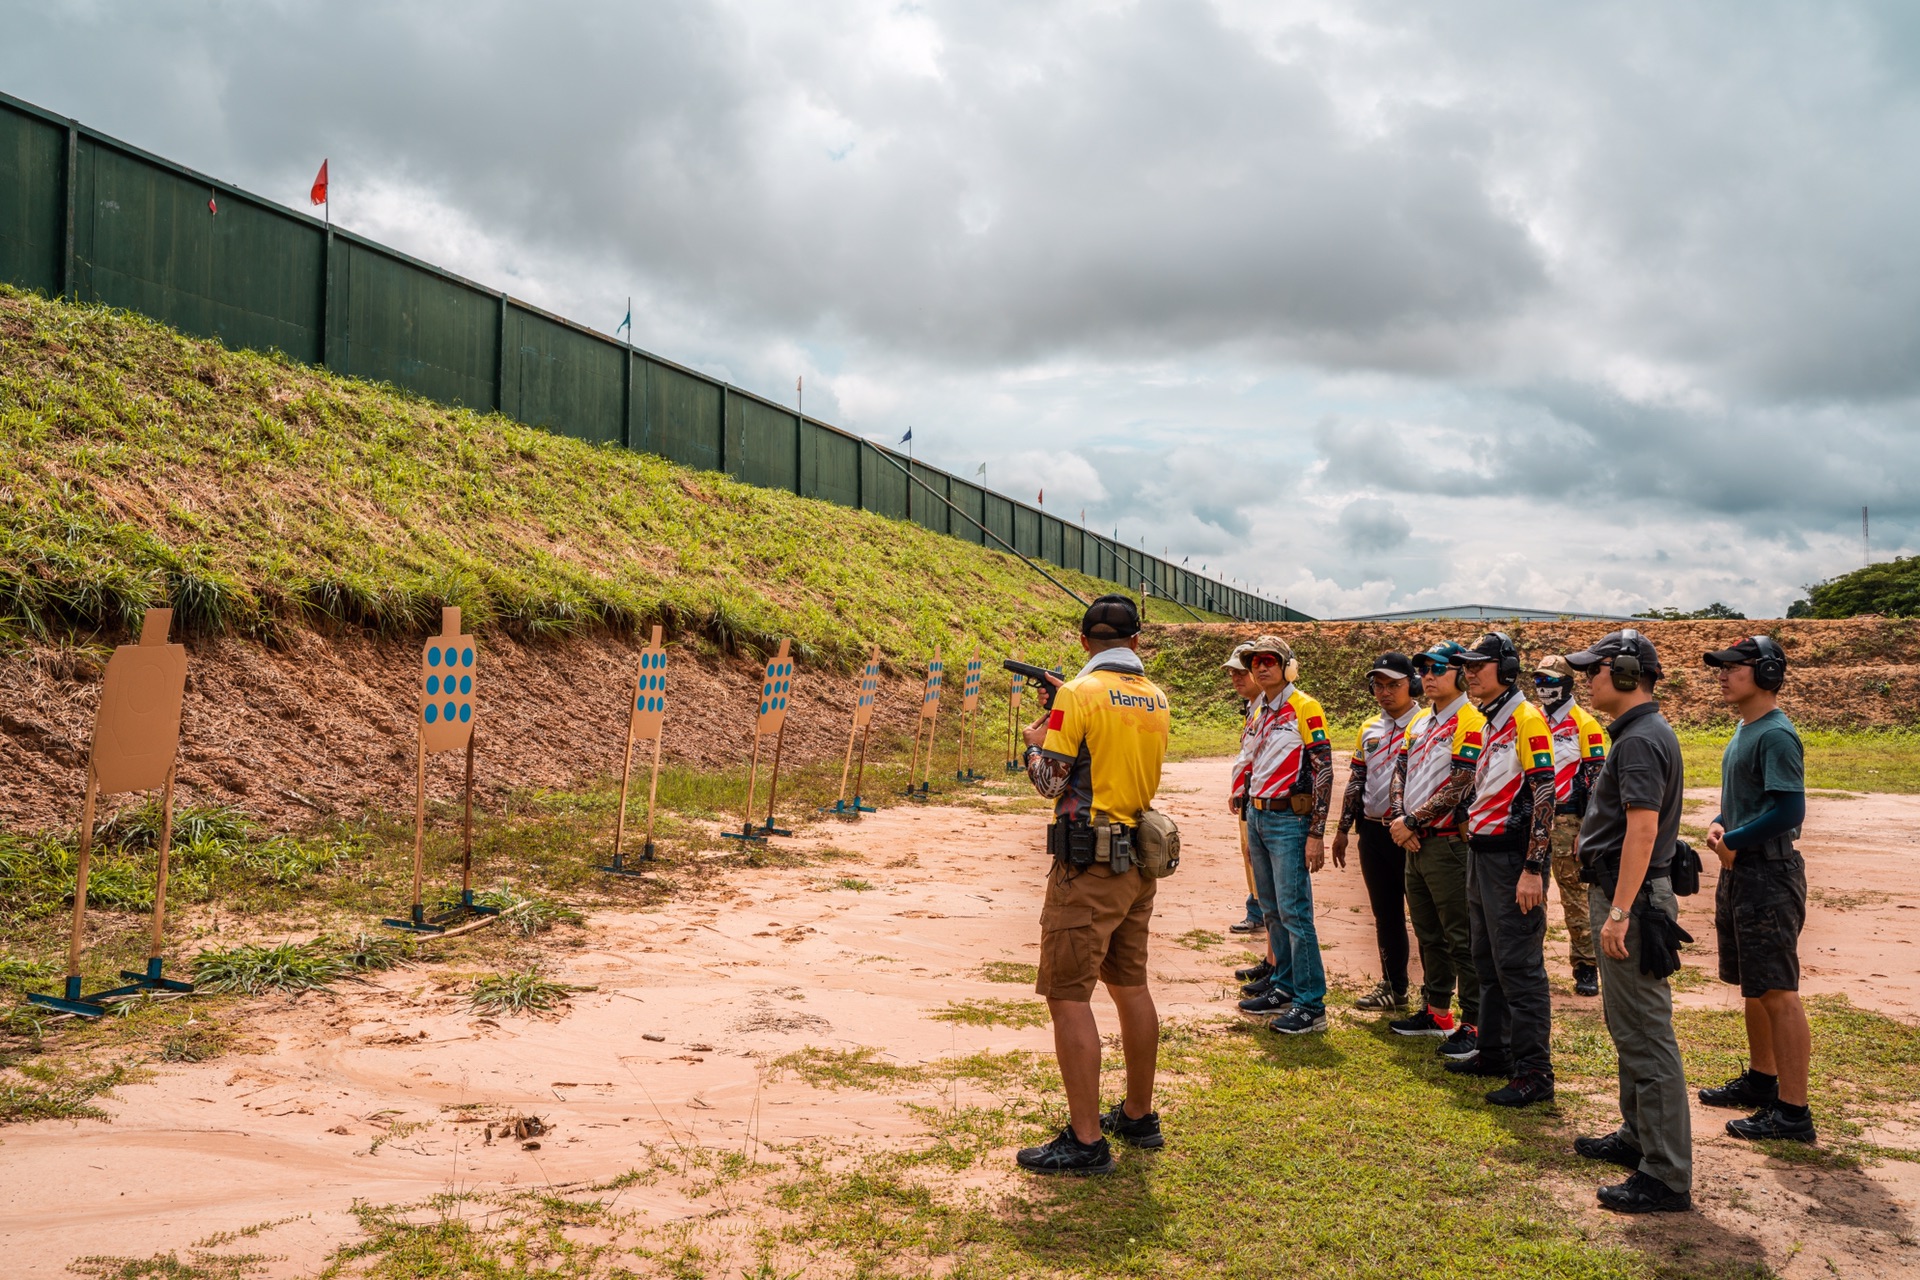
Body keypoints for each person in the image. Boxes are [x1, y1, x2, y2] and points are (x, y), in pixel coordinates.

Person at [1014, 594, 1172, 1174]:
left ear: (1084, 642)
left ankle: (1085, 1142)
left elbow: (1050, 781)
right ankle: (1137, 1113)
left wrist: (1036, 737)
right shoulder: (1155, 697)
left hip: (1087, 864)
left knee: (1067, 994)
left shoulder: (1078, 696)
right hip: (1137, 862)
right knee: (1131, 986)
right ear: (1135, 642)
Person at [1565, 629, 1692, 1214]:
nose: (1586, 680)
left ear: (1623, 674)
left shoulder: (1639, 740)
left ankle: (1665, 1175)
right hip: (1627, 894)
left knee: (1646, 1035)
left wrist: (1618, 911)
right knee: (1629, 1028)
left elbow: (1642, 830)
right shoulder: (1640, 733)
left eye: (1593, 670)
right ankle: (1639, 1140)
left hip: (1631, 900)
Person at [1699, 635, 1816, 1144]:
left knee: (1777, 990)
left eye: (1733, 667)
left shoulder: (1775, 734)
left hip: (1766, 874)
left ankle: (1793, 1113)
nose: (1722, 675)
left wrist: (1736, 841)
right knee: (1754, 983)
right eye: (1720, 668)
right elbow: (1747, 800)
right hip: (1744, 871)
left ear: (1766, 673)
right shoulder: (1746, 730)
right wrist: (1723, 825)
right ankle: (1763, 1082)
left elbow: (1790, 812)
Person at [1448, 633, 1558, 1107]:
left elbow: (1544, 794)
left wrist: (1533, 866)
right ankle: (1494, 1051)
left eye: (1480, 665)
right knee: (1487, 959)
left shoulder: (1526, 719)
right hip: (1484, 854)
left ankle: (1534, 1072)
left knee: (1520, 967)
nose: (1470, 673)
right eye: (1467, 666)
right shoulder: (1493, 718)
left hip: (1513, 859)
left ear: (1507, 668)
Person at [1230, 635, 1334, 1035]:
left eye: (1270, 660)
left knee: (1295, 914)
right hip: (1258, 814)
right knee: (1271, 909)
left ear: (1287, 666)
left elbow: (1324, 769)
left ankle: (1311, 1004)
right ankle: (1284, 987)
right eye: (1256, 661)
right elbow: (1254, 759)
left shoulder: (1304, 707)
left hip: (1289, 821)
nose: (1261, 667)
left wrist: (1316, 833)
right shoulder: (1261, 710)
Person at [1388, 641, 1485, 1060]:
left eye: (1437, 668)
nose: (1427, 675)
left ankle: (1476, 1023)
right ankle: (1438, 1012)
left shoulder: (1472, 719)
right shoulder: (1421, 721)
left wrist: (1412, 821)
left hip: (1447, 844)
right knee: (1429, 934)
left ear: (1460, 674)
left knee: (1461, 937)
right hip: (1415, 842)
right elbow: (1400, 772)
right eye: (1423, 668)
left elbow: (1462, 782)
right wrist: (1400, 820)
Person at [1332, 653, 1423, 1012]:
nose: (1384, 692)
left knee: (1426, 917)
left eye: (1394, 685)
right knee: (1385, 914)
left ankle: (1435, 997)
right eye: (1378, 685)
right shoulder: (1368, 728)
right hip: (1372, 833)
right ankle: (1394, 987)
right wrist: (1342, 829)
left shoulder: (1426, 725)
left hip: (1414, 835)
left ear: (1412, 685)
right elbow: (1357, 779)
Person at [1536, 654, 1608, 996]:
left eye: (1550, 682)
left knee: (1575, 896)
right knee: (1530, 893)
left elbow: (1596, 782)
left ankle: (1585, 966)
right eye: (1538, 681)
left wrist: (1587, 830)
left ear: (1567, 684)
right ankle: (1529, 960)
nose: (1543, 688)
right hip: (1533, 818)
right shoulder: (1530, 720)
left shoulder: (1585, 724)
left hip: (1569, 819)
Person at [1224, 643, 1267, 938]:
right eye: (1232, 673)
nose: (1237, 678)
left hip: (1257, 796)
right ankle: (1257, 908)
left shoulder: (1267, 708)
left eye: (1241, 672)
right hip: (1247, 795)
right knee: (1249, 853)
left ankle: (1259, 910)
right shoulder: (1253, 709)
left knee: (1255, 854)